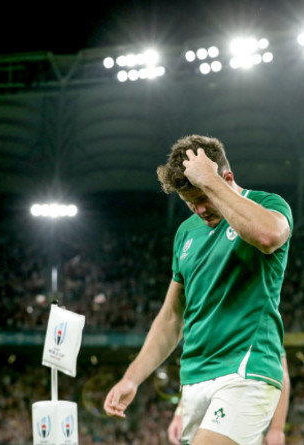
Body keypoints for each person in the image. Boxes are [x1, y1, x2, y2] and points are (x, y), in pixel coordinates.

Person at [103, 135, 293, 445]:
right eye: (190, 202)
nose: (200, 209)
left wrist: (210, 181)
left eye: (203, 197)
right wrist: (132, 378)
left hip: (246, 369)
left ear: (226, 178)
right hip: (194, 379)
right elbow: (171, 317)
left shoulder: (268, 205)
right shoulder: (185, 233)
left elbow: (269, 236)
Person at [167, 351, 290, 445]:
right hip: (203, 401)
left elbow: (281, 373)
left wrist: (277, 428)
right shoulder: (203, 325)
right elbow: (198, 371)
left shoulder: (254, 320)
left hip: (238, 397)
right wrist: (180, 411)